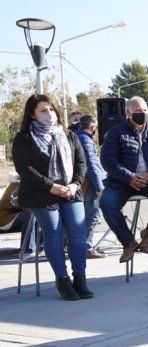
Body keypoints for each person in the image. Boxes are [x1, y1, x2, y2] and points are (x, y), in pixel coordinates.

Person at [12, 94, 91, 301]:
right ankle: (63, 280)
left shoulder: (69, 135)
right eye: (43, 110)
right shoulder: (24, 138)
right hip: (40, 193)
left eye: (51, 109)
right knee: (53, 234)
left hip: (70, 191)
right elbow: (25, 169)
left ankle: (80, 279)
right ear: (32, 115)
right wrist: (52, 187)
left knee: (77, 235)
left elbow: (81, 163)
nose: (49, 114)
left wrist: (74, 184)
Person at [99, 96, 148, 264]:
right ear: (128, 112)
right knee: (107, 203)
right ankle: (128, 242)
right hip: (122, 182)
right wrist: (129, 177)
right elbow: (108, 160)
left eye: (145, 110)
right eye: (138, 110)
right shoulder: (115, 132)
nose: (143, 113)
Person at [76, 115, 108, 259]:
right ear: (93, 127)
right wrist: (99, 186)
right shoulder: (85, 140)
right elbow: (91, 165)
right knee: (92, 216)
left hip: (84, 183)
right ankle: (87, 248)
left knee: (83, 217)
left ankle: (81, 246)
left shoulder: (77, 137)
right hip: (90, 184)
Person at [0, 174, 37, 255]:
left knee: (37, 215)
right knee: (30, 217)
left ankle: (38, 246)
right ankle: (27, 250)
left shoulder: (18, 186)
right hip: (4, 219)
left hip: (11, 215)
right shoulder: (16, 187)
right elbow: (26, 207)